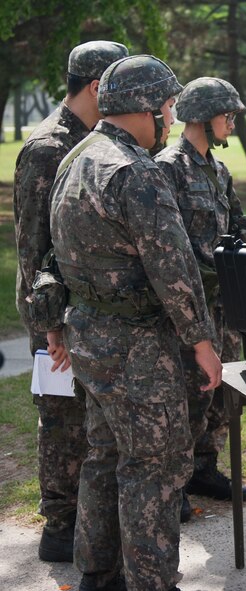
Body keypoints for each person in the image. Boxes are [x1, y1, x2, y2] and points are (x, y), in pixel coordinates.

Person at [49, 54, 221, 591]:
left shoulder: (77, 157)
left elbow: (47, 255)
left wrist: (52, 323)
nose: (170, 120)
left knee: (104, 459)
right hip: (137, 346)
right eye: (167, 108)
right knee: (156, 468)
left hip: (91, 336)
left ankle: (99, 578)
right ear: (146, 109)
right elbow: (175, 270)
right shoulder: (136, 174)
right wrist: (202, 342)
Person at [13, 39, 129, 563]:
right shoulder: (48, 148)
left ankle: (90, 522)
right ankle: (59, 525)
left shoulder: (98, 139)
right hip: (53, 315)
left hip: (88, 311)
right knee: (60, 417)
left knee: (92, 419)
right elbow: (34, 249)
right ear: (97, 86)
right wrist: (51, 325)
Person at [154, 77, 246, 517]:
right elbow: (165, 246)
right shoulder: (167, 167)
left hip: (222, 304)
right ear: (203, 117)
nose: (231, 122)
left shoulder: (217, 168)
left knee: (221, 394)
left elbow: (239, 223)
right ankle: (172, 485)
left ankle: (203, 468)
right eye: (227, 115)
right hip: (188, 307)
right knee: (187, 399)